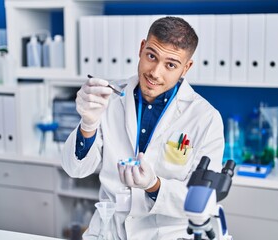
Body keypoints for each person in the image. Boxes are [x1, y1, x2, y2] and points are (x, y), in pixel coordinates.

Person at [62, 16, 224, 240]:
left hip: (167, 234)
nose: (155, 73)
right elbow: (75, 169)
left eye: (170, 65)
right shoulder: (109, 98)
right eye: (151, 56)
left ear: (186, 68)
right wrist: (88, 124)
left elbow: (203, 201)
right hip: (110, 230)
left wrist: (153, 185)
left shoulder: (206, 119)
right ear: (141, 48)